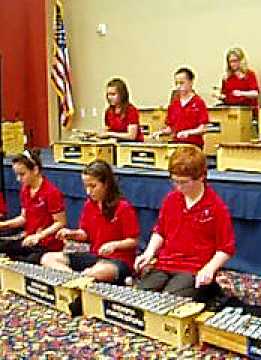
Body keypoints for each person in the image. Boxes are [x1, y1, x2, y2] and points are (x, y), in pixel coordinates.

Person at [134, 146, 235, 298]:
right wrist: (149, 252)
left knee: (169, 301)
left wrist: (209, 268)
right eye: (175, 182)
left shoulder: (216, 207)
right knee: (140, 297)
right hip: (165, 263)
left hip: (194, 268)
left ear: (201, 177)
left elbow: (226, 248)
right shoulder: (171, 199)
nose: (178, 187)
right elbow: (160, 231)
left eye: (184, 182)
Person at [41, 160, 139, 284]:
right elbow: (85, 234)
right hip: (95, 256)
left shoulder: (123, 207)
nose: (88, 191)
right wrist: (71, 234)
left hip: (118, 260)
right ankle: (76, 279)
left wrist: (114, 245)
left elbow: (134, 241)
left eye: (93, 186)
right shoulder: (89, 205)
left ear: (106, 184)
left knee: (99, 271)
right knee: (48, 258)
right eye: (86, 186)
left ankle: (81, 278)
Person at [0, 150, 66, 263]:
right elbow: (23, 218)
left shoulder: (51, 192)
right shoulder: (25, 190)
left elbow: (60, 222)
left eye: (22, 174)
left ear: (35, 170)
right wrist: (3, 225)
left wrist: (39, 236)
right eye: (17, 175)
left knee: (26, 262)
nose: (18, 179)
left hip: (48, 245)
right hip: (29, 240)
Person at [152, 68, 209, 148]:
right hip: (176, 145)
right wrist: (160, 132)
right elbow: (171, 128)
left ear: (191, 82)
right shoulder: (173, 104)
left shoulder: (198, 102)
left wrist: (188, 133)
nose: (178, 86)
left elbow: (203, 129)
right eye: (176, 83)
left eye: (182, 83)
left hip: (193, 146)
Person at [213, 47, 260, 118]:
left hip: (246, 110)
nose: (233, 64)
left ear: (241, 60)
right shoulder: (226, 77)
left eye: (235, 61)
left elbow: (255, 93)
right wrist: (219, 96)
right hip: (231, 109)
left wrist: (241, 93)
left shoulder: (249, 74)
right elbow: (225, 96)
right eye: (230, 62)